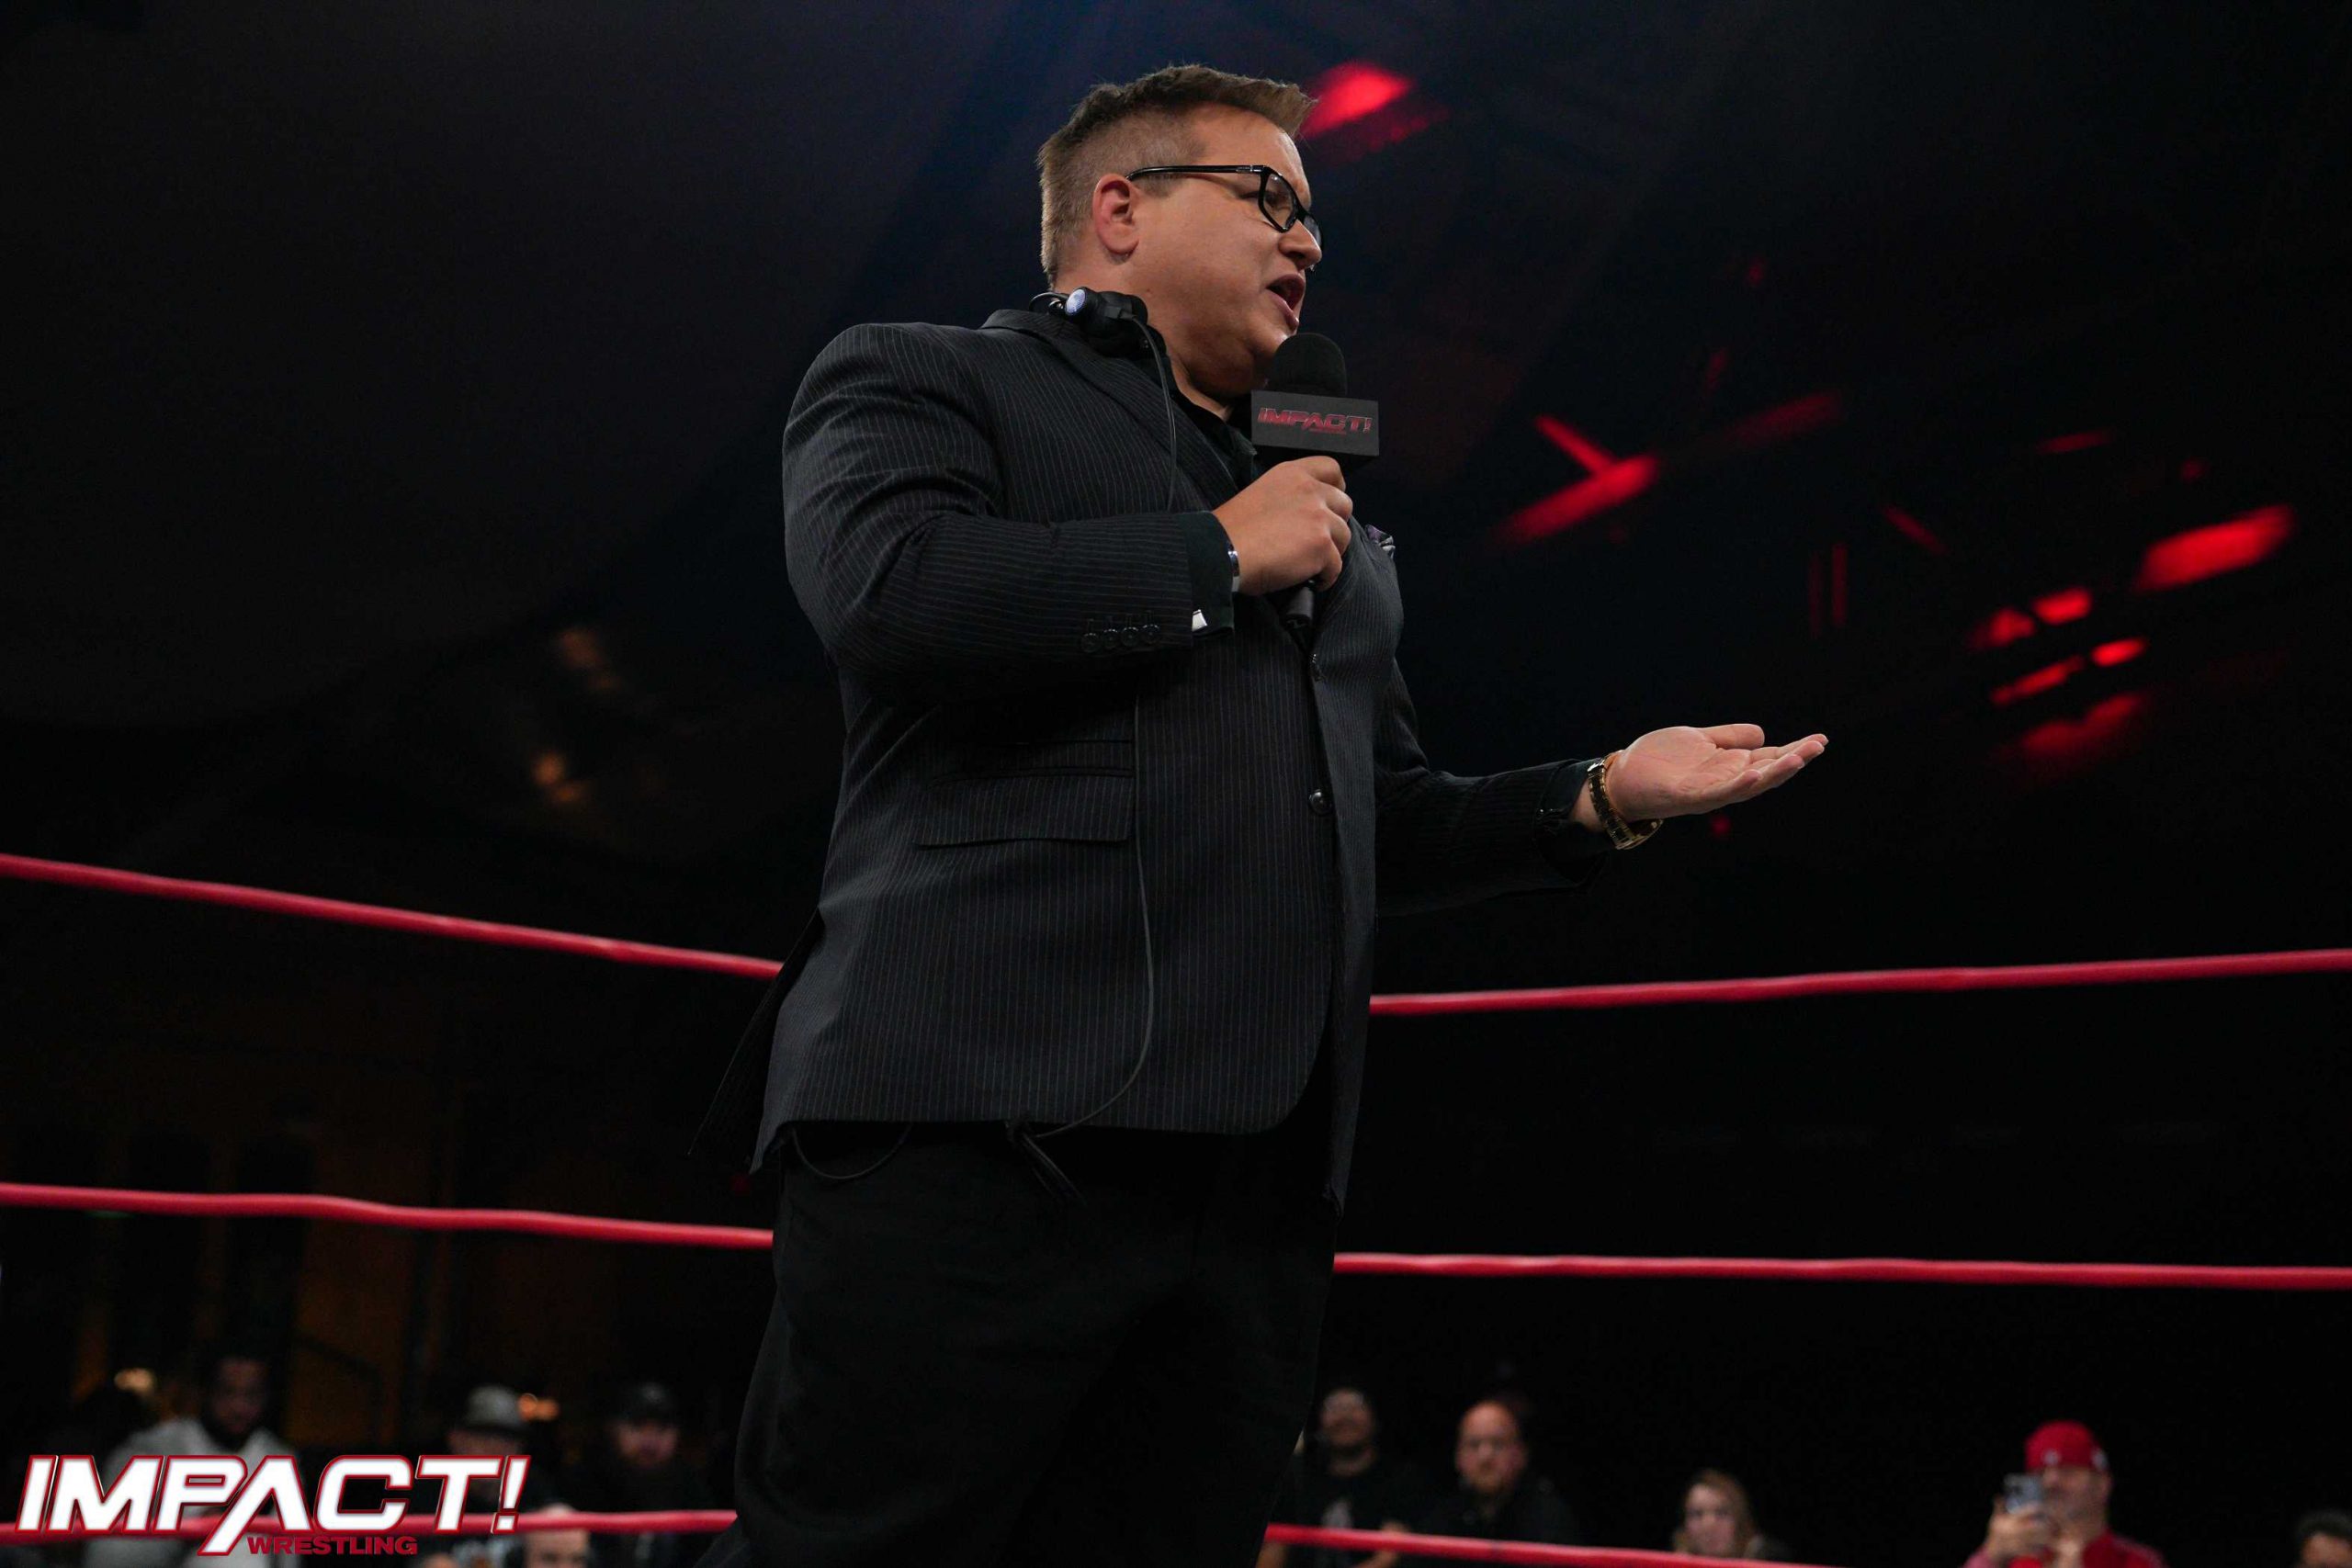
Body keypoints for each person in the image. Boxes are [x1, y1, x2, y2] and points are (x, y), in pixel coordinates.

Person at [687, 61, 1827, 1568]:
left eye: (1314, 216)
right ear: (1119, 208)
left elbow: (1376, 815)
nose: (1310, 239)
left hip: (1250, 1196)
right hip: (977, 1128)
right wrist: (1214, 556)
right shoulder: (926, 375)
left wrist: (1602, 791)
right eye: (1270, 197)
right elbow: (888, 594)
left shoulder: (1322, 506)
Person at [85, 1344, 291, 1568]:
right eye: (227, 1392)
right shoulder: (150, 1452)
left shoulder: (279, 1459)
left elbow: (287, 1554)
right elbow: (107, 1556)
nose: (239, 1408)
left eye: (251, 1395)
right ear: (202, 1392)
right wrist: (191, 1531)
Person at [1964, 1420, 2166, 1568]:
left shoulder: (2139, 1562)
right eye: (2040, 1473)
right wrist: (1991, 1556)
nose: (2050, 1482)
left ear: (2102, 1485)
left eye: (2068, 1471)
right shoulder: (2016, 1560)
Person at [1402, 1399, 1579, 1560]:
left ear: (1521, 1454)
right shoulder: (1440, 1522)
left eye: (1498, 1444)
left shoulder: (1550, 1521)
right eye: (1474, 1444)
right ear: (1458, 1457)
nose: (1485, 1457)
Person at [561, 1382, 715, 1568]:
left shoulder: (691, 1488)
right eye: (638, 1425)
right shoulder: (585, 1482)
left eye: (662, 1428)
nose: (650, 1441)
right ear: (614, 1429)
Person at [1281, 1386, 1433, 1568]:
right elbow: (1275, 1547)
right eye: (1334, 1407)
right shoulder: (1299, 1477)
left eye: (1355, 1406)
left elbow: (1387, 1557)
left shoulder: (1401, 1479)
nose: (1345, 1417)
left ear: (1375, 1418)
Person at [1674, 1469, 1790, 1561]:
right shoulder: (1674, 1561)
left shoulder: (1768, 1558)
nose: (1709, 1525)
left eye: (1721, 1513)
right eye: (1697, 1514)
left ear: (1740, 1519)